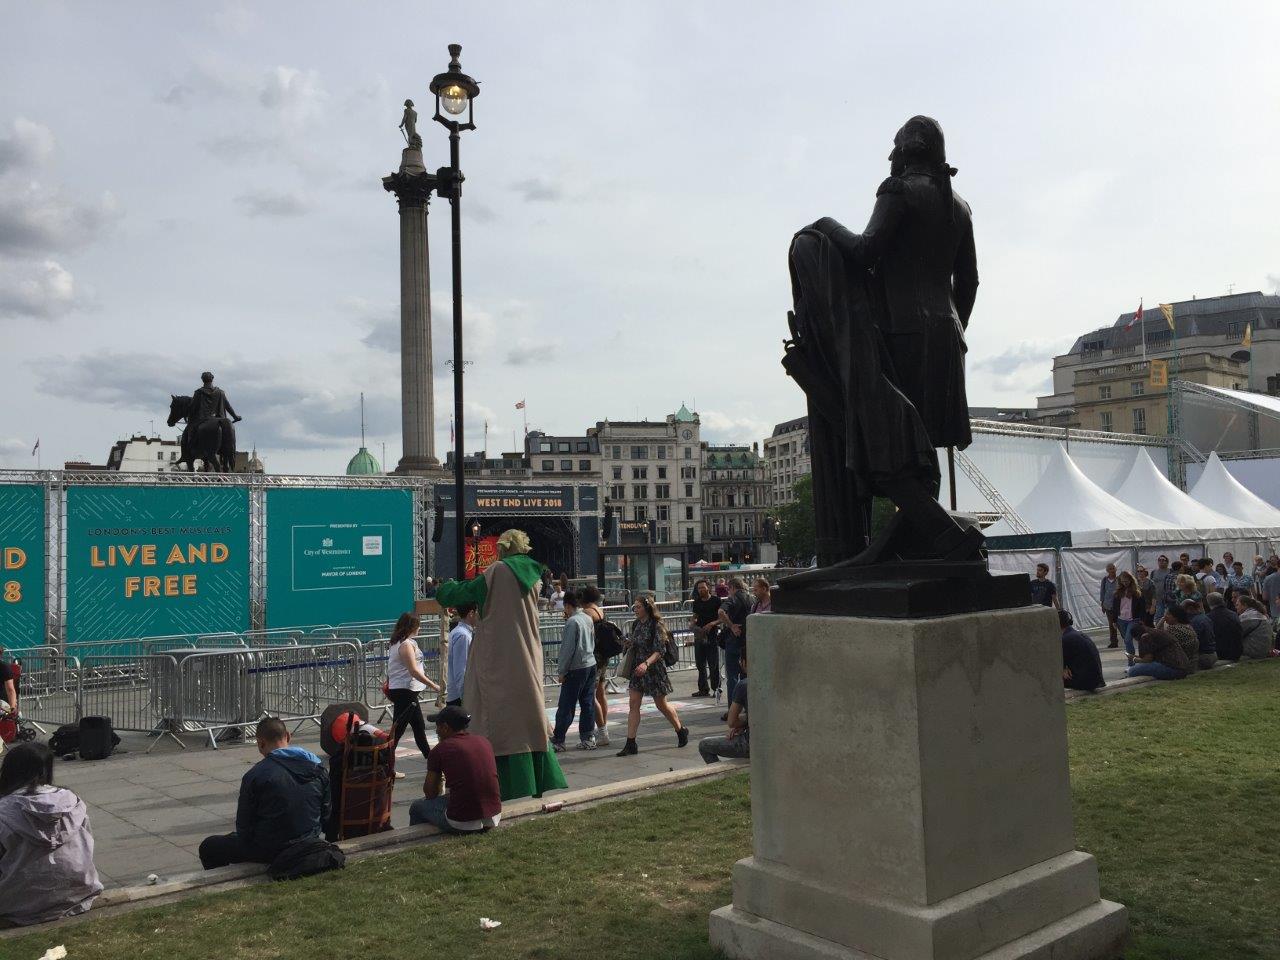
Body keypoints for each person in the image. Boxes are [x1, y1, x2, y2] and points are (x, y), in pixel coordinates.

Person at [436, 529, 567, 800]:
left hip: (498, 653)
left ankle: (499, 783)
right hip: (527, 652)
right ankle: (536, 781)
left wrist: (444, 588)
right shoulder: (535, 577)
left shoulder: (497, 571)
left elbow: (464, 593)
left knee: (494, 718)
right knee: (528, 717)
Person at [199, 717, 329, 869]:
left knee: (209, 846)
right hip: (308, 840)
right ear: (288, 736)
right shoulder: (317, 768)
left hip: (271, 848)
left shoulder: (256, 775)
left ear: (260, 743)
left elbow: (244, 825)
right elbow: (326, 812)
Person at [0, 741, 102, 926]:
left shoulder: (4, 811)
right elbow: (86, 845)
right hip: (76, 894)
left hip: (18, 904)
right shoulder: (72, 802)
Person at [409, 706, 502, 834]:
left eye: (438, 727)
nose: (436, 731)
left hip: (462, 822)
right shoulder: (484, 741)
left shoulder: (440, 750)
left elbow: (430, 793)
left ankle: (415, 841)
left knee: (417, 807)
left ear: (446, 727)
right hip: (494, 815)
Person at [615, 595, 688, 757]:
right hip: (638, 670)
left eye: (638, 607)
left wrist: (646, 664)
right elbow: (636, 643)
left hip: (654, 669)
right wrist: (627, 643)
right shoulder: (636, 624)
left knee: (661, 704)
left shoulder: (657, 624)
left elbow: (659, 650)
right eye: (634, 607)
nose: (635, 610)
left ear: (647, 608)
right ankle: (630, 743)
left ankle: (680, 730)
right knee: (634, 704)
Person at [386, 612, 441, 775]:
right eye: (418, 625)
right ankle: (386, 765)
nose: (420, 628)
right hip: (405, 691)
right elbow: (413, 671)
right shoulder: (405, 645)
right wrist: (433, 685)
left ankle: (432, 762)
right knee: (401, 730)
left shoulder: (401, 642)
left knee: (415, 727)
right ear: (411, 627)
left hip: (405, 690)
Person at [550, 591, 597, 752]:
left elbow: (567, 649)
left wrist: (562, 671)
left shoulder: (572, 622)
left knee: (566, 705)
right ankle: (588, 737)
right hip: (590, 663)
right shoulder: (587, 618)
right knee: (587, 702)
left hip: (576, 667)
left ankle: (559, 739)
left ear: (568, 606)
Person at [699, 647, 750, 764]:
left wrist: (743, 724)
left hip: (752, 743)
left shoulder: (744, 685)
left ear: (743, 662)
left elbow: (731, 722)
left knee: (704, 745)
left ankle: (719, 773)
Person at [580, 584, 614, 748]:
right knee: (601, 692)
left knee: (590, 695)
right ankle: (603, 727)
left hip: (594, 656)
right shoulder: (600, 610)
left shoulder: (587, 613)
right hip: (603, 656)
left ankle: (602, 731)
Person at [718, 577, 752, 715]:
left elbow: (720, 612)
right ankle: (747, 706)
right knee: (746, 675)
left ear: (732, 588)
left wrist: (731, 626)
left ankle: (732, 709)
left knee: (732, 676)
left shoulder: (732, 599)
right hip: (748, 641)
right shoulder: (753, 599)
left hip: (733, 641)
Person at [689, 579, 722, 698]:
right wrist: (692, 623)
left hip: (712, 635)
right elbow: (695, 616)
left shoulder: (716, 601)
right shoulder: (697, 602)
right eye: (699, 588)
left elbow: (722, 617)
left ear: (708, 587)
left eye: (703, 587)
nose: (701, 590)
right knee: (700, 664)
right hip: (700, 634)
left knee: (713, 664)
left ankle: (716, 688)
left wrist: (712, 623)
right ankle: (703, 689)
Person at [1059, 610, 1104, 692]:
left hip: (1086, 683)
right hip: (1097, 680)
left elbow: (1060, 666)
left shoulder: (1065, 639)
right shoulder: (1078, 634)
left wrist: (1063, 669)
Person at [445, 603, 477, 707]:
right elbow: (461, 669)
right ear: (471, 613)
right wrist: (465, 697)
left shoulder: (460, 632)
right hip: (458, 697)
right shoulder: (463, 635)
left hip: (457, 694)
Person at [1110, 571, 1141, 664]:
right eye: (1123, 581)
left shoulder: (1136, 592)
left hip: (1133, 619)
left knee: (1128, 640)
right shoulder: (1118, 593)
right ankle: (1132, 661)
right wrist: (1114, 621)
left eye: (1126, 581)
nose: (1125, 583)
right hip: (1121, 620)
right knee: (1127, 640)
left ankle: (1131, 663)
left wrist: (1142, 619)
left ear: (1131, 580)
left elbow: (1141, 606)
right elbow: (1114, 608)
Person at [1161, 605, 1200, 674]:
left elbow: (1157, 641)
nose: (1165, 616)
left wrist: (1160, 623)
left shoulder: (1173, 629)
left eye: (1168, 614)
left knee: (1142, 668)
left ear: (1176, 617)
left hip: (1180, 666)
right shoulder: (1188, 626)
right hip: (1192, 664)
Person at [1206, 592, 1243, 662]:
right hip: (1236, 652)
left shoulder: (1208, 618)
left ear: (1209, 603)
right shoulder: (1233, 614)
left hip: (1220, 653)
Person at [1236, 594, 1274, 660]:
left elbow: (1237, 634)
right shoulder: (1261, 615)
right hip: (1265, 650)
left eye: (1237, 605)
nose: (1236, 607)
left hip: (1253, 651)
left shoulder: (1246, 617)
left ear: (1245, 605)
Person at [1183, 599, 1218, 671]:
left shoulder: (1193, 622)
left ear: (1189, 610)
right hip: (1213, 654)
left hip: (1203, 656)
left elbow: (1192, 643)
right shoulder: (1206, 618)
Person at [1099, 564, 1119, 648]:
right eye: (1110, 569)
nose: (1112, 570)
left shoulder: (1119, 579)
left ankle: (1126, 638)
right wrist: (1102, 604)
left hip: (1118, 605)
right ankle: (1114, 642)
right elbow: (1102, 592)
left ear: (1115, 569)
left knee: (1120, 623)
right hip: (1108, 605)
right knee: (1111, 624)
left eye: (1113, 569)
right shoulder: (1105, 580)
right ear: (1107, 571)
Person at [1150, 555, 1173, 620]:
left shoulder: (1170, 571)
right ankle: (1159, 629)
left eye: (1163, 560)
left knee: (1170, 616)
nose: (1161, 562)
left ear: (1167, 562)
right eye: (1159, 560)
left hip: (1169, 599)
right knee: (1158, 617)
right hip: (1158, 599)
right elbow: (1152, 586)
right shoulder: (1154, 572)